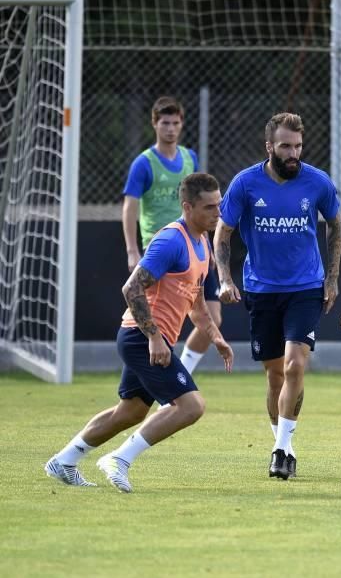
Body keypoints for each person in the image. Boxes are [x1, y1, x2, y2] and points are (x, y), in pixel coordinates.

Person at [45, 173, 234, 492]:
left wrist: (216, 337)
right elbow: (131, 288)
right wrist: (155, 338)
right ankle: (119, 459)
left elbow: (197, 305)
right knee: (191, 406)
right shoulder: (170, 240)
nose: (218, 213)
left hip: (148, 339)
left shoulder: (202, 243)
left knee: (131, 410)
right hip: (140, 337)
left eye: (220, 205)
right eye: (210, 207)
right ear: (187, 207)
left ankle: (63, 460)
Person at [214, 112, 341, 481]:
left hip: (306, 289)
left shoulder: (317, 182)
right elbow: (222, 235)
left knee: (295, 366)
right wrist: (224, 278)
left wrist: (332, 279)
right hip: (261, 290)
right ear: (270, 146)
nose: (293, 153)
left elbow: (335, 225)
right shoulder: (245, 184)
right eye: (286, 146)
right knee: (274, 378)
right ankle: (284, 442)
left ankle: (281, 450)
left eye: (298, 146)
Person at [122, 96, 222, 375]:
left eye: (175, 123)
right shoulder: (144, 163)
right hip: (163, 247)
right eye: (165, 123)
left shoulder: (190, 157)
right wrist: (132, 249)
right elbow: (130, 206)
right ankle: (162, 373)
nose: (170, 129)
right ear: (154, 124)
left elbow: (204, 206)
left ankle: (181, 373)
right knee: (162, 316)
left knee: (212, 317)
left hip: (194, 246)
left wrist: (207, 248)